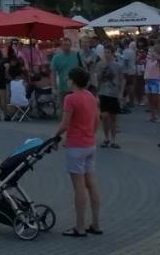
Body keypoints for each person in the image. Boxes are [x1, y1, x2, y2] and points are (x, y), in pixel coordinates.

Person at [54, 67, 101, 238]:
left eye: (68, 78)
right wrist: (91, 134)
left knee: (79, 187)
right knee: (91, 183)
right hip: (90, 144)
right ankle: (95, 223)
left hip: (76, 146)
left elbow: (65, 124)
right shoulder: (90, 96)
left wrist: (55, 136)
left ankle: (80, 227)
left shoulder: (70, 99)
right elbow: (97, 119)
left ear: (73, 80)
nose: (66, 81)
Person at [96, 50, 122, 149]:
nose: (107, 55)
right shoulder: (100, 65)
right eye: (105, 53)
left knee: (113, 118)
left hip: (113, 94)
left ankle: (113, 139)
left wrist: (120, 93)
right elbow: (98, 78)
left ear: (112, 54)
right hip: (103, 93)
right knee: (104, 116)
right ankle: (106, 138)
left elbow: (121, 79)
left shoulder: (117, 66)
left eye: (109, 52)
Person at [49, 38, 80, 110]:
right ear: (61, 46)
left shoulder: (77, 55)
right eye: (65, 45)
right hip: (62, 87)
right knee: (64, 108)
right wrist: (53, 87)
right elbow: (53, 73)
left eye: (68, 44)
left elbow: (82, 69)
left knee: (76, 108)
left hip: (76, 87)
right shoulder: (56, 57)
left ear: (71, 45)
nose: (67, 46)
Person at [143, 45, 160, 122]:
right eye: (149, 51)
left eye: (151, 51)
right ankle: (152, 115)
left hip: (156, 81)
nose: (150, 53)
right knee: (150, 100)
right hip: (148, 80)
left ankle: (159, 115)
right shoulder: (148, 60)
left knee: (156, 100)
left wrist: (155, 56)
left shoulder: (158, 60)